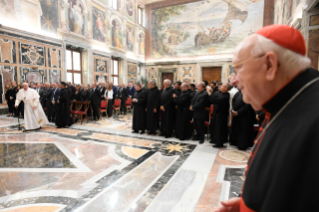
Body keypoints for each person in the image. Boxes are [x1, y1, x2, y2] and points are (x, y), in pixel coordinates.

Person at [213, 25, 319, 212]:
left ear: (269, 64)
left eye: (238, 69)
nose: (234, 80)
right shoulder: (284, 104)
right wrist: (248, 205)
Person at [208, 83, 230, 148]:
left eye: (222, 86)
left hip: (222, 115)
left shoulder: (226, 95)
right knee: (216, 128)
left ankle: (220, 143)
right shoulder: (221, 94)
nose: (220, 87)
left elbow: (216, 101)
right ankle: (216, 140)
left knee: (220, 129)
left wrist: (209, 93)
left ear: (226, 88)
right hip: (217, 113)